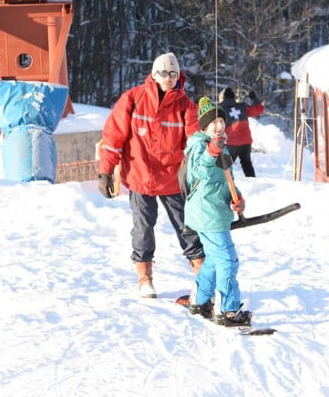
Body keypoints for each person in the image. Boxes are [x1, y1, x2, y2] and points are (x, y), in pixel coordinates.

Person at [98, 52, 205, 298]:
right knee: (143, 228)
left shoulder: (186, 106)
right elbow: (114, 137)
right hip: (140, 175)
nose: (168, 78)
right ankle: (145, 278)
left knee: (188, 226)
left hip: (173, 179)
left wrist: (204, 170)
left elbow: (196, 144)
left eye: (173, 73)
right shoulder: (133, 99)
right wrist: (106, 170)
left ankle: (203, 275)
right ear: (154, 74)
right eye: (164, 73)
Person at [184, 96, 252, 326]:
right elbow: (199, 172)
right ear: (204, 126)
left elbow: (224, 180)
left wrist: (236, 198)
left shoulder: (221, 145)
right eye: (213, 122)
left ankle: (199, 300)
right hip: (207, 213)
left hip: (214, 211)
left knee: (214, 258)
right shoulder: (199, 145)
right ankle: (227, 310)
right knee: (227, 260)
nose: (219, 126)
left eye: (221, 121)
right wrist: (211, 151)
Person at [217, 87, 264, 177]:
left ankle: (223, 182)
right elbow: (259, 110)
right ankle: (253, 182)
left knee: (225, 166)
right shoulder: (242, 106)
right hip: (246, 142)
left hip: (231, 143)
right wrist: (254, 99)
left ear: (222, 98)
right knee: (246, 163)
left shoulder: (220, 109)